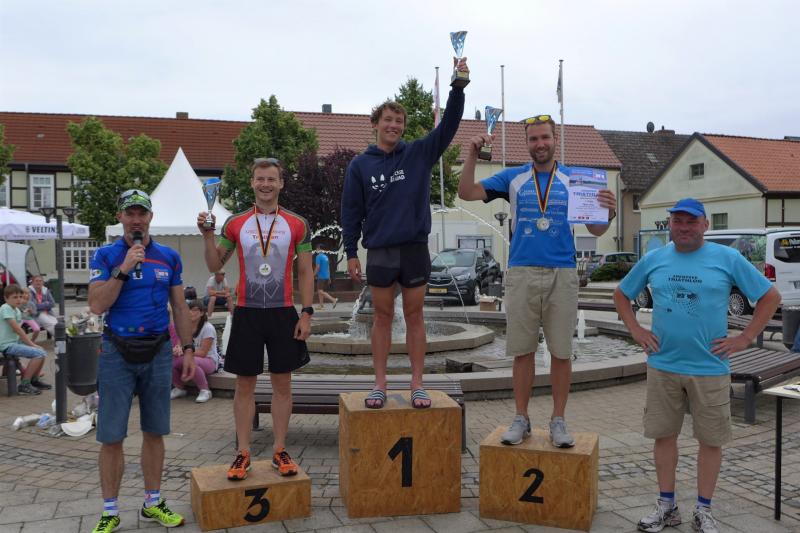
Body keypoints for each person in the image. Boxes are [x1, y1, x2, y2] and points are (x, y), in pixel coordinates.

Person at [613, 198, 781, 533]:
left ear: (705, 225)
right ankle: (667, 506)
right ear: (670, 225)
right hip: (663, 365)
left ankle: (704, 510)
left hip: (710, 367)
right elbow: (621, 294)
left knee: (710, 440)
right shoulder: (655, 258)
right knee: (663, 436)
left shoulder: (727, 258)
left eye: (691, 221)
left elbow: (770, 297)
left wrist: (745, 337)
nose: (684, 227)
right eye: (678, 221)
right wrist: (636, 330)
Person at [457, 114, 617, 447]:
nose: (540, 144)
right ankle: (521, 418)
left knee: (561, 352)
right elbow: (467, 192)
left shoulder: (576, 180)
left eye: (545, 137)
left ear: (555, 139)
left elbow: (596, 229)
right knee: (522, 351)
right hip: (522, 271)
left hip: (562, 272)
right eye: (533, 139)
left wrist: (609, 212)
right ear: (527, 143)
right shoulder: (512, 178)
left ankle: (558, 420)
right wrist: (471, 154)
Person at [341, 57, 469, 409]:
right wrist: (350, 252)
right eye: (388, 120)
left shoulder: (418, 153)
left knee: (415, 316)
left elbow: (449, 126)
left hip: (414, 249)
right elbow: (350, 212)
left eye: (399, 121)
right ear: (375, 124)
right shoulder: (360, 165)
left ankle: (417, 384)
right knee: (382, 318)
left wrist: (458, 88)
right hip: (381, 251)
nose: (394, 126)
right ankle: (379, 384)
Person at [198, 157, 313, 480]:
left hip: (282, 310)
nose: (265, 184)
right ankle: (243, 452)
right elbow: (214, 265)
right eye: (260, 179)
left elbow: (305, 271)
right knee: (244, 385)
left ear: (281, 183)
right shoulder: (235, 223)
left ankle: (280, 449)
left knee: (282, 384)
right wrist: (207, 235)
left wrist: (307, 312)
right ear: (252, 183)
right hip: (247, 311)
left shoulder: (297, 223)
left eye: (271, 179)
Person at [88, 189, 196, 533]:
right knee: (111, 436)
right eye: (130, 213)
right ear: (120, 217)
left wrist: (189, 349)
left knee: (155, 431)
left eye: (142, 213)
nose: (136, 220)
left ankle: (153, 502)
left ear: (151, 217)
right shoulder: (105, 255)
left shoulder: (168, 256)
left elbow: (179, 306)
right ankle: (110, 510)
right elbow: (96, 305)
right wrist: (123, 269)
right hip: (117, 351)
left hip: (158, 351)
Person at [0, 284, 49, 394]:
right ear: (6, 298)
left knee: (41, 351)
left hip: (13, 343)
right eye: (15, 297)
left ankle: (34, 380)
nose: (18, 299)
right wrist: (31, 344)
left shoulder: (16, 310)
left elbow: (16, 333)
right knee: (38, 354)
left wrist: (29, 344)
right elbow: (17, 329)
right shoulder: (5, 308)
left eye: (20, 297)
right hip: (5, 345)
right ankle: (24, 384)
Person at [170, 299, 218, 403]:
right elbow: (179, 344)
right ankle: (179, 388)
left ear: (201, 313)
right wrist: (177, 349)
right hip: (191, 356)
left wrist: (185, 351)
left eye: (194, 310)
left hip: (209, 360)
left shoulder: (208, 328)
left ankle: (205, 390)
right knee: (171, 360)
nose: (191, 312)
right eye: (189, 309)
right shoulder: (185, 327)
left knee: (191, 360)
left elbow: (203, 353)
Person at [313, 244, 338, 310]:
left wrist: (313, 275)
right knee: (320, 290)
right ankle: (321, 305)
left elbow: (317, 267)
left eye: (317, 248)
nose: (316, 250)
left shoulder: (318, 257)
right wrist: (329, 277)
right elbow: (328, 268)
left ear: (319, 248)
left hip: (321, 276)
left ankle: (333, 299)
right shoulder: (326, 257)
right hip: (326, 276)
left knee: (320, 291)